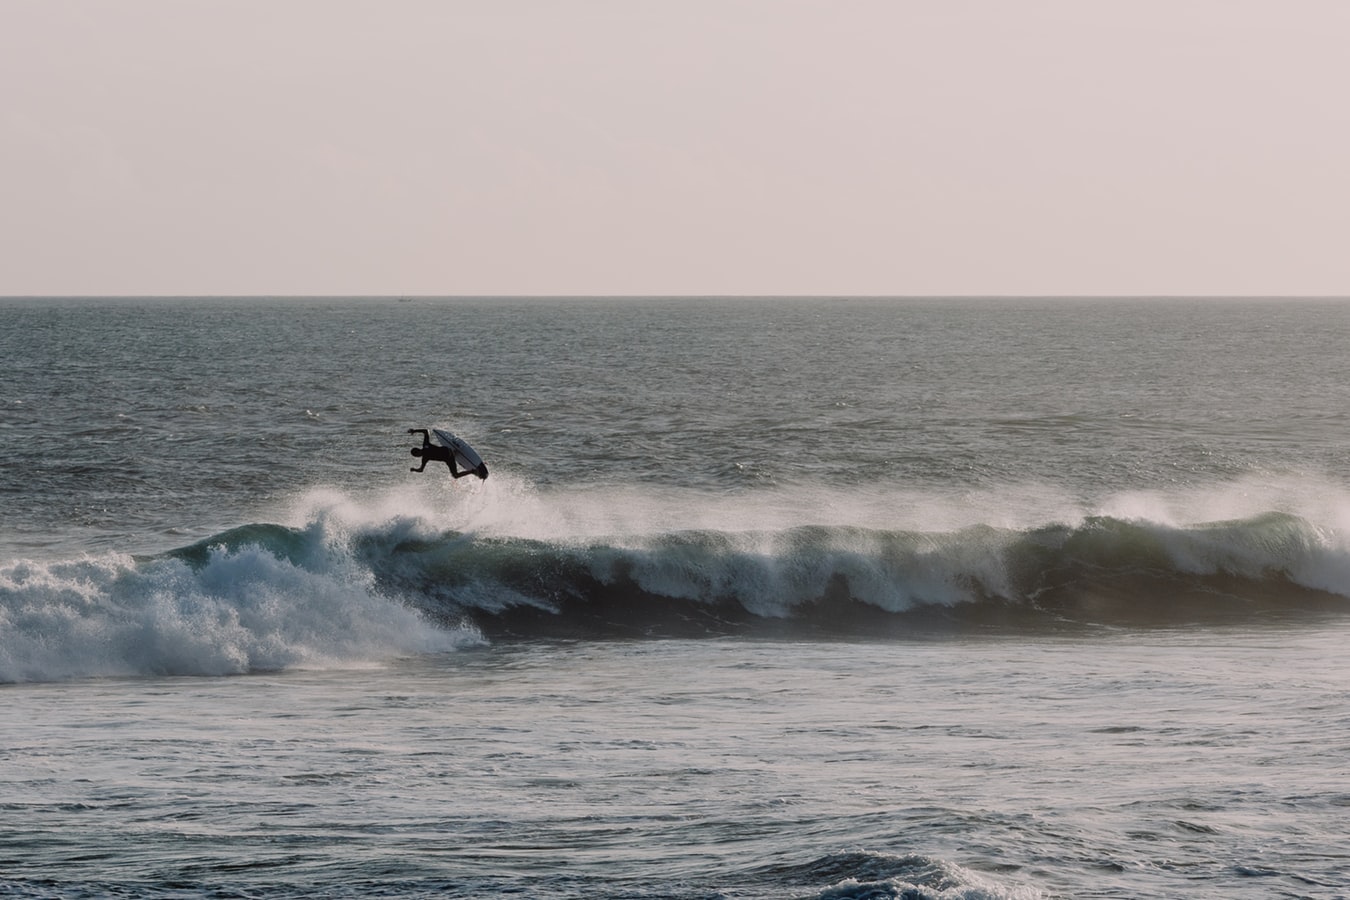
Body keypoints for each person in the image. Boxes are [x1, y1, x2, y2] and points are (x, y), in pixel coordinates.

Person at [408, 429, 485, 478]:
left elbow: (421, 470)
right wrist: (414, 431)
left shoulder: (425, 454)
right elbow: (426, 431)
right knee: (448, 457)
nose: (418, 456)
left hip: (448, 458)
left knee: (455, 475)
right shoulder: (425, 449)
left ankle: (472, 471)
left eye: (417, 455)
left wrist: (414, 469)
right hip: (449, 452)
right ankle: (455, 452)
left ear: (418, 452)